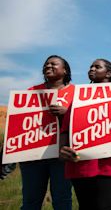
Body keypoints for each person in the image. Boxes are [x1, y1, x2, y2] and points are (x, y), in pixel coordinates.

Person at [59, 58, 111, 210]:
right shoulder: (78, 96)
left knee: (106, 206)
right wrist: (62, 148)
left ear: (108, 73)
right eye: (90, 66)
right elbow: (65, 128)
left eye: (97, 67)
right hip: (81, 163)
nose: (92, 69)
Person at [20, 55, 74, 210]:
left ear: (64, 70)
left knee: (62, 199)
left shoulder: (76, 92)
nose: (48, 66)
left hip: (61, 155)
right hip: (33, 154)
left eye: (53, 64)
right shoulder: (32, 91)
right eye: (46, 64)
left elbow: (84, 121)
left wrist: (67, 112)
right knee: (31, 200)